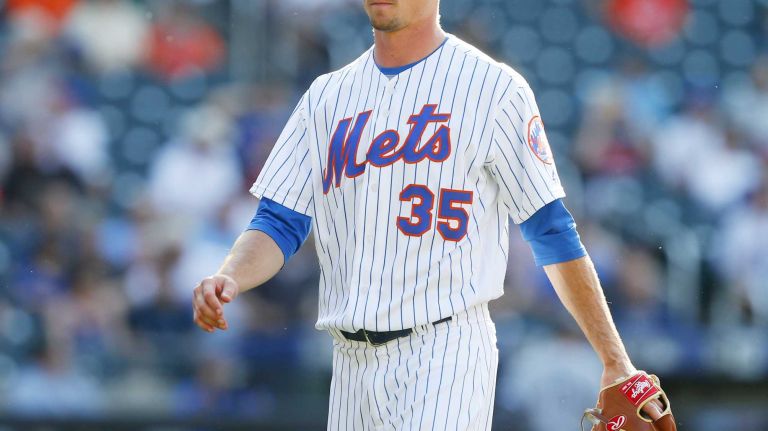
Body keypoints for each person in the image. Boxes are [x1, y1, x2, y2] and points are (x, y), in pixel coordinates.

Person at [192, 1, 666, 429]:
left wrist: (614, 359)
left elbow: (551, 230)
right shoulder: (325, 97)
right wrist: (230, 275)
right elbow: (280, 222)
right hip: (349, 362)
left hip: (444, 351)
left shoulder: (493, 88)